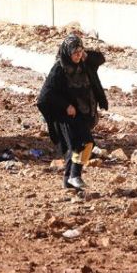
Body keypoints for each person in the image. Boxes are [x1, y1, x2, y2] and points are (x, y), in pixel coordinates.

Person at [36, 34, 107, 190]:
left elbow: (100, 59)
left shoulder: (84, 63)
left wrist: (85, 54)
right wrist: (65, 105)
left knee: (72, 149)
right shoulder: (59, 69)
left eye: (80, 52)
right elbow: (44, 96)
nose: (78, 56)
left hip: (84, 114)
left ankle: (68, 181)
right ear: (67, 52)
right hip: (67, 117)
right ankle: (75, 175)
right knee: (85, 143)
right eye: (75, 53)